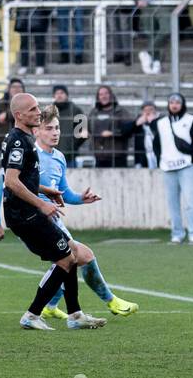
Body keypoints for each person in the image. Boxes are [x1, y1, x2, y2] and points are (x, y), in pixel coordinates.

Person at [21, 105, 137, 319]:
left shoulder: (59, 158)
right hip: (37, 220)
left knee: (66, 262)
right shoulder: (29, 155)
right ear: (36, 131)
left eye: (57, 128)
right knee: (81, 256)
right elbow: (11, 184)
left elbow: (63, 193)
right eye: (49, 128)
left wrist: (81, 199)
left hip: (55, 220)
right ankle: (111, 301)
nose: (55, 132)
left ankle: (48, 305)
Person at [3, 93, 107, 330]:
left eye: (37, 107)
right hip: (25, 214)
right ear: (18, 115)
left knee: (69, 254)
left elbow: (22, 179)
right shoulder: (19, 141)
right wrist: (41, 203)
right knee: (66, 258)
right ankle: (32, 315)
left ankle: (75, 315)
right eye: (32, 109)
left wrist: (47, 190)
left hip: (28, 212)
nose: (37, 111)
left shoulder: (24, 139)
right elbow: (10, 181)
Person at [147, 92, 193, 244]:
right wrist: (161, 160)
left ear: (182, 104)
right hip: (167, 167)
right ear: (168, 105)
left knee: (190, 202)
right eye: (172, 102)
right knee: (172, 203)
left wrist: (192, 158)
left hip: (186, 166)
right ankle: (177, 234)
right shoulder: (161, 122)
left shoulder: (191, 120)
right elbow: (156, 144)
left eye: (177, 102)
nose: (174, 105)